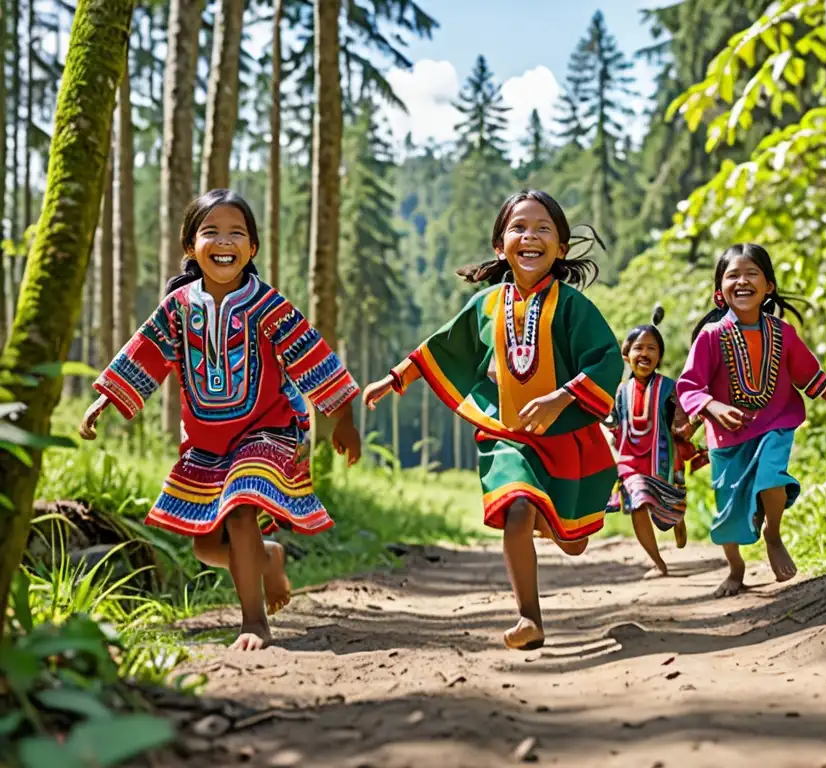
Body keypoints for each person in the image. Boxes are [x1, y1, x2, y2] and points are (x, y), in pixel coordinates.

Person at [79, 188, 362, 650]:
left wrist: (342, 417)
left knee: (242, 505)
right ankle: (268, 559)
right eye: (211, 232)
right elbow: (146, 353)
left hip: (268, 428)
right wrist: (106, 398)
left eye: (237, 233)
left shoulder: (268, 305)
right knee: (207, 546)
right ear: (191, 247)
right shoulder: (177, 307)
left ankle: (253, 624)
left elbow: (313, 356)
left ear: (252, 248)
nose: (224, 241)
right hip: (207, 443)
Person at [362, 189, 621, 651]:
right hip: (506, 435)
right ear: (500, 247)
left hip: (565, 435)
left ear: (561, 248)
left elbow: (605, 360)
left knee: (574, 540)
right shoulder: (484, 304)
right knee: (516, 506)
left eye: (544, 228)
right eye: (519, 227)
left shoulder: (572, 306)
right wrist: (394, 379)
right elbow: (443, 345)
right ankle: (529, 618)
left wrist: (561, 398)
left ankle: (554, 517)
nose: (531, 236)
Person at [676, 243, 826, 598]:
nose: (742, 281)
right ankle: (736, 569)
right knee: (730, 515)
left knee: (772, 477)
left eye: (752, 273)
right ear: (718, 292)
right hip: (726, 439)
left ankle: (773, 533)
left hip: (774, 423)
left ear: (769, 286)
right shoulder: (710, 337)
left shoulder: (783, 333)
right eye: (732, 275)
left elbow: (813, 380)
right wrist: (713, 409)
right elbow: (690, 386)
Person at [605, 305, 708, 578]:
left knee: (668, 510)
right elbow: (613, 423)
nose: (645, 353)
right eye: (639, 348)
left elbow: (681, 425)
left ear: (660, 356)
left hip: (665, 461)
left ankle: (677, 518)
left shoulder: (669, 388)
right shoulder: (619, 391)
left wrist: (697, 420)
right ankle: (657, 563)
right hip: (630, 463)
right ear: (627, 356)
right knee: (638, 504)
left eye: (652, 348)